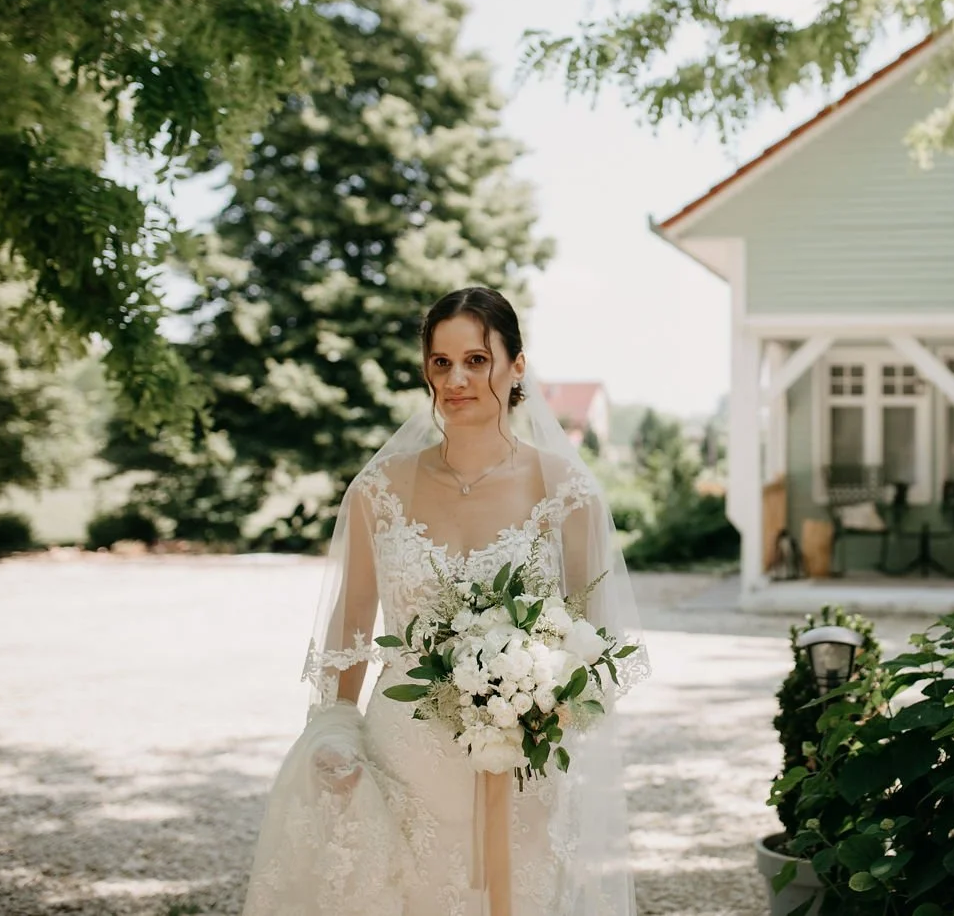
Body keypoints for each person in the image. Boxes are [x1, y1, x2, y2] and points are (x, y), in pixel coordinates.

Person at [242, 287, 649, 916]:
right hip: (401, 753)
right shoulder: (378, 490)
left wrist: (539, 707)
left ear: (516, 366)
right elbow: (350, 626)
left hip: (521, 758)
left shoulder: (565, 490)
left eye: (476, 360)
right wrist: (334, 729)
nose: (456, 379)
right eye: (440, 363)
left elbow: (596, 643)